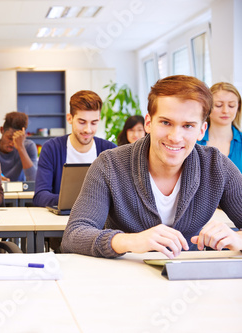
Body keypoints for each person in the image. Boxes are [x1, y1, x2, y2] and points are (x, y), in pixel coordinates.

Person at [61, 75, 242, 259]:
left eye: (188, 126)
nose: (175, 136)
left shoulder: (217, 166)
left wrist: (238, 239)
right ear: (149, 123)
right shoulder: (110, 165)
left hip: (188, 281)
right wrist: (131, 241)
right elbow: (74, 235)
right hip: (125, 278)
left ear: (201, 130)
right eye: (166, 122)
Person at [33, 90, 116, 208]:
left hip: (100, 223)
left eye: (94, 122)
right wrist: (81, 200)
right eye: (82, 122)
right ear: (70, 118)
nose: (88, 129)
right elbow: (40, 196)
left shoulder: (110, 150)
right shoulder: (52, 149)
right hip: (61, 222)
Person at [197, 82, 242, 173]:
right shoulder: (194, 140)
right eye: (218, 105)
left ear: (238, 107)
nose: (225, 111)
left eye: (231, 105)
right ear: (207, 106)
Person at [0, 112, 38, 181]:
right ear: (2, 130)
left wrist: (21, 147)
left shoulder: (29, 146)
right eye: (10, 138)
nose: (12, 144)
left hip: (20, 190)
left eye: (17, 140)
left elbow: (34, 179)